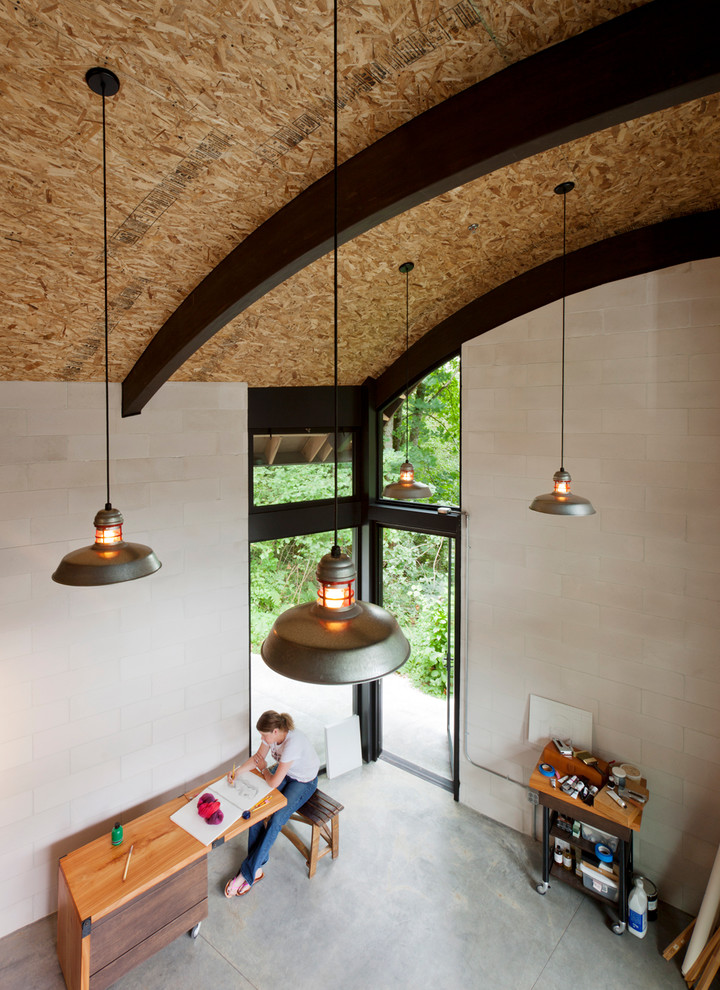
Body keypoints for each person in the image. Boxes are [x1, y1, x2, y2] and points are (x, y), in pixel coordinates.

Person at [224, 710, 319, 897]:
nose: (262, 738)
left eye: (263, 735)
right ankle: (256, 869)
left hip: (303, 781)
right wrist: (237, 772)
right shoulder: (272, 737)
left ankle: (246, 874)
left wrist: (264, 769)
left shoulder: (293, 743)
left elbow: (273, 781)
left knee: (276, 819)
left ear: (276, 731)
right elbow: (258, 758)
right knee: (256, 808)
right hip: (286, 774)